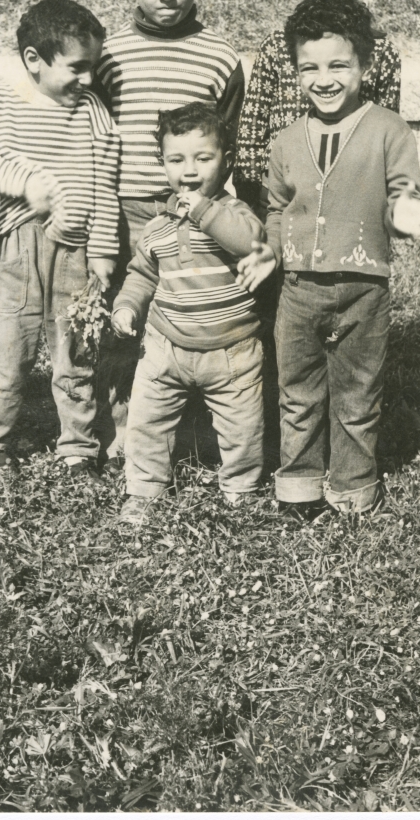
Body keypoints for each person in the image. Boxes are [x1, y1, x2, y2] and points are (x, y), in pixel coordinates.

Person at [237, 0, 420, 518]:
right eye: (309, 68)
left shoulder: (390, 129)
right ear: (295, 72)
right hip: (299, 291)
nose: (324, 78)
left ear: (364, 65)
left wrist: (406, 210)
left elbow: (403, 190)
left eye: (339, 65)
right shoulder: (284, 141)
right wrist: (270, 252)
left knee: (357, 393)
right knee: (297, 390)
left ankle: (352, 487)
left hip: (365, 288)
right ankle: (298, 484)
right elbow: (277, 210)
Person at [95, 0, 246, 457]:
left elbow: (226, 145)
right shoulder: (108, 54)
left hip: (192, 210)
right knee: (125, 312)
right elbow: (95, 130)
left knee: (190, 310)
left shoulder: (221, 56)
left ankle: (195, 423)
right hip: (124, 208)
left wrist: (202, 205)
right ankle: (126, 428)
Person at [0, 0, 120, 482]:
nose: (88, 79)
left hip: (75, 247)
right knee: (9, 346)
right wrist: (23, 182)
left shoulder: (93, 111)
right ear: (35, 60)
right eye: (77, 67)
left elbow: (104, 183)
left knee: (74, 348)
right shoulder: (1, 101)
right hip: (20, 243)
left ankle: (77, 447)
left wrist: (102, 249)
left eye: (92, 67)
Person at [111, 103, 266, 525]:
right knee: (147, 420)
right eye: (176, 159)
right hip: (166, 346)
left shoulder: (234, 213)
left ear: (227, 163)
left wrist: (201, 209)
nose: (190, 170)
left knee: (242, 428)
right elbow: (142, 274)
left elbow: (247, 242)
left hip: (231, 349)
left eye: (204, 158)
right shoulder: (158, 225)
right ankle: (144, 489)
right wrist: (126, 306)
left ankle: (240, 489)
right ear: (162, 163)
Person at [234, 0, 401, 218]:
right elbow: (251, 133)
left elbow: (387, 132)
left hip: (349, 203)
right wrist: (252, 200)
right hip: (279, 202)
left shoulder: (382, 53)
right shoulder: (276, 47)